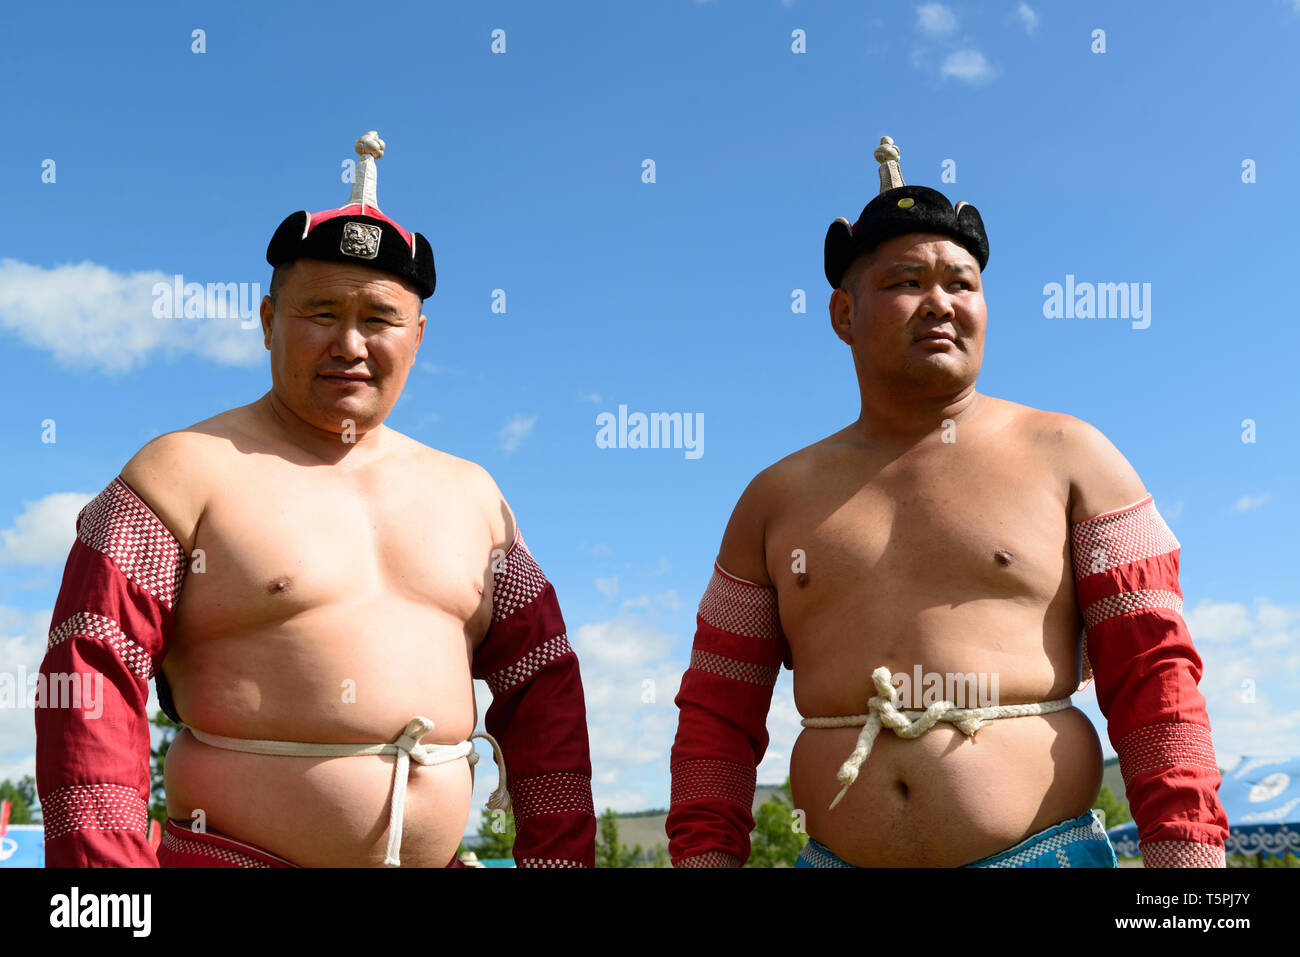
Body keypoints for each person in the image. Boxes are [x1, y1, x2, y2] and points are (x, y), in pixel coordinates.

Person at [665, 136, 1229, 868]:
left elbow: (1157, 678)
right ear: (843, 314)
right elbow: (717, 713)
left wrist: (1188, 875)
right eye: (906, 280)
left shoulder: (1074, 455)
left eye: (962, 284)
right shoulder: (773, 501)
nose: (940, 302)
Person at [36, 131, 596, 868]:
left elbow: (544, 686)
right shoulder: (177, 471)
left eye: (380, 318)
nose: (351, 343)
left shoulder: (476, 497)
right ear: (269, 321)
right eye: (321, 312)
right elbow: (89, 671)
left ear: (419, 335)